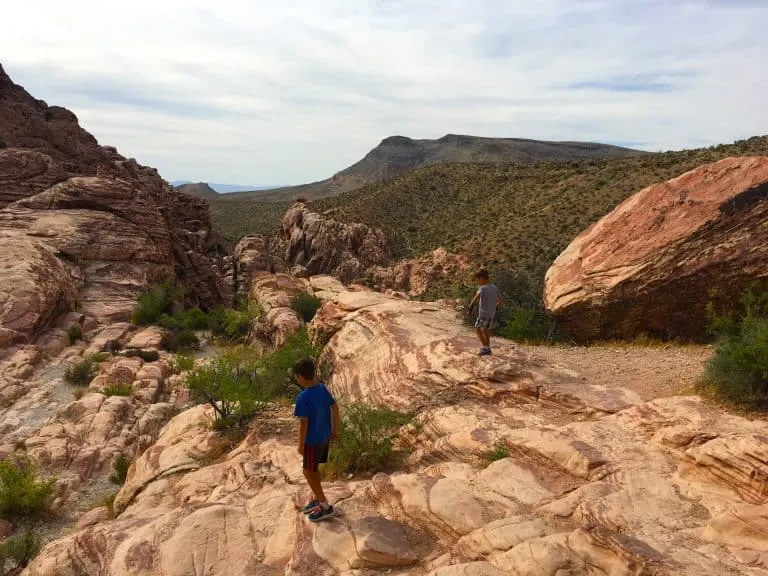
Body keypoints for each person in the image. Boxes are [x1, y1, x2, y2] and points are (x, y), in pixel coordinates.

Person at [293, 358, 339, 522]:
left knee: (307, 471)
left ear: (300, 377)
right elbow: (335, 407)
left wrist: (300, 445)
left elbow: (304, 423)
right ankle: (317, 498)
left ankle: (325, 506)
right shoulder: (322, 389)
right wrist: (335, 430)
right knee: (313, 469)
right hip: (324, 437)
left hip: (312, 441)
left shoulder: (303, 397)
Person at [466, 269, 503, 356]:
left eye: (477, 280)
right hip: (492, 313)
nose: (477, 282)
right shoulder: (494, 287)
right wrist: (494, 306)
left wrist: (470, 309)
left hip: (484, 313)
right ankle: (487, 348)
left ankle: (486, 348)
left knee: (477, 329)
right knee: (485, 329)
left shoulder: (482, 288)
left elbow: (475, 298)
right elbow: (501, 300)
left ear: (482, 278)